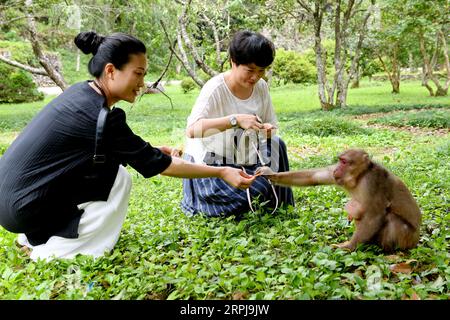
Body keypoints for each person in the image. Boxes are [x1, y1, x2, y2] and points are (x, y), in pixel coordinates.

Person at [0, 31, 255, 261]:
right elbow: (161, 167)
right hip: (24, 209)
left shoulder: (80, 94)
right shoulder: (104, 118)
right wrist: (221, 171)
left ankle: (34, 238)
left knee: (111, 168)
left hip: (11, 204)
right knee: (119, 180)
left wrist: (152, 150)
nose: (142, 83)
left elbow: (119, 148)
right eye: (138, 74)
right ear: (111, 71)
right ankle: (53, 252)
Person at [181, 30, 294, 217]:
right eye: (250, 70)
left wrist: (266, 131)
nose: (255, 77)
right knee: (254, 191)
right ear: (233, 62)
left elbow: (271, 128)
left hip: (244, 157)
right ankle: (210, 201)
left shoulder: (261, 87)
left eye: (261, 71)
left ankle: (279, 203)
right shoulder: (215, 89)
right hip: (213, 163)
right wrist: (235, 120)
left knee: (277, 145)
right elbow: (192, 130)